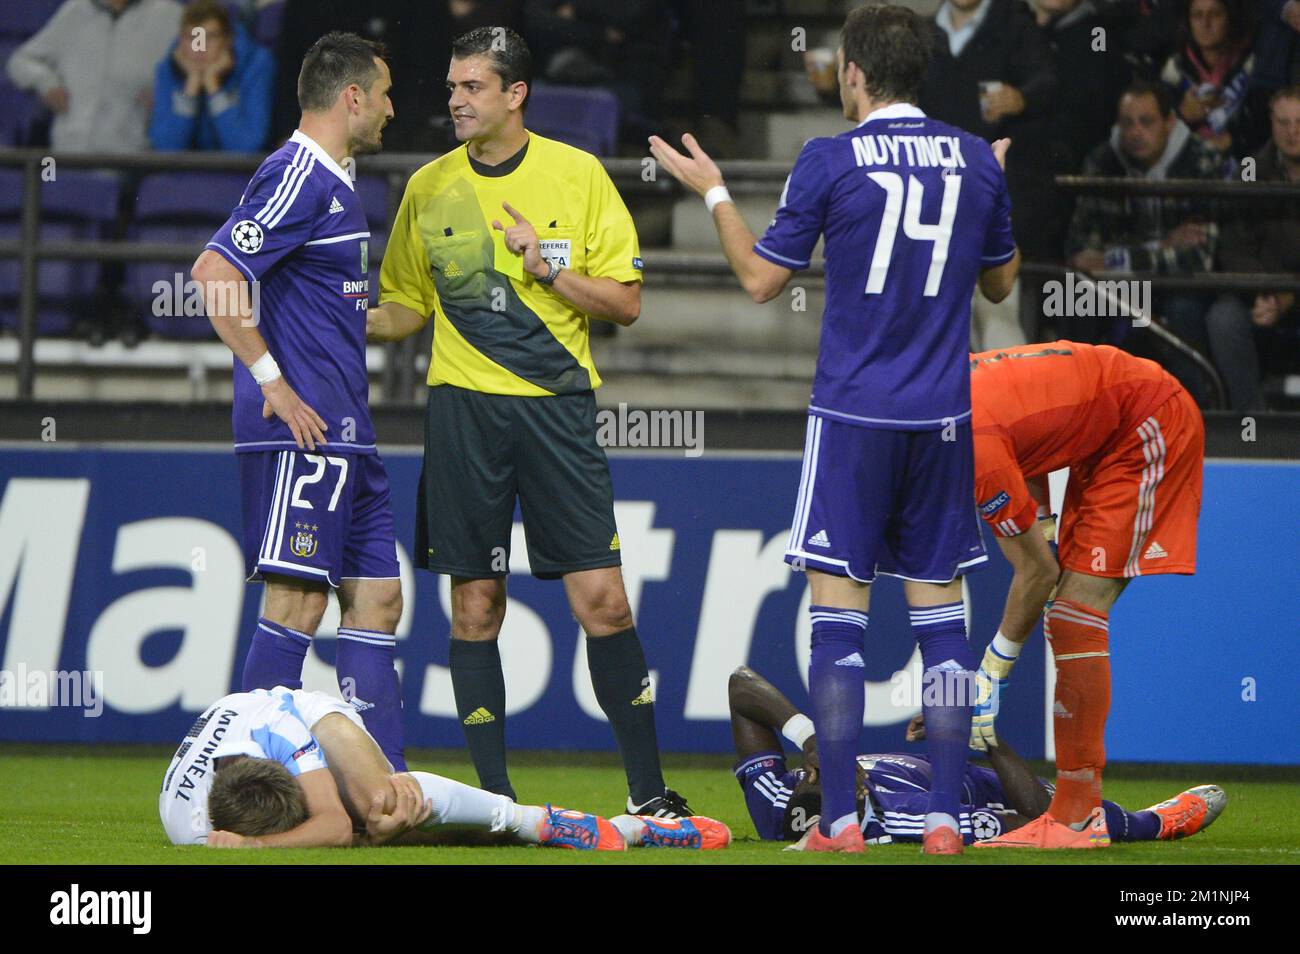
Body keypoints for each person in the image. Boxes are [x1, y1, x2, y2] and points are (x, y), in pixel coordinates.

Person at [650, 3, 1021, 854]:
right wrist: (990, 179)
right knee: (943, 623)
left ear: (854, 72)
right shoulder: (973, 159)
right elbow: (1001, 287)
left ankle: (843, 825)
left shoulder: (829, 159)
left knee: (839, 616)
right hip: (942, 421)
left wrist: (711, 189)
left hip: (854, 417)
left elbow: (757, 281)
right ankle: (939, 821)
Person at [368, 27, 691, 819]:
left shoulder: (577, 176)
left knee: (604, 603)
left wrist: (548, 270)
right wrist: (331, 313)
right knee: (475, 606)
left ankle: (649, 794)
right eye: (450, 87)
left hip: (558, 416)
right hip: (463, 415)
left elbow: (626, 301)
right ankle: (496, 801)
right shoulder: (427, 187)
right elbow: (405, 310)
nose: (454, 101)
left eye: (472, 87)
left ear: (516, 95)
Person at [189, 33, 407, 773]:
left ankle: (385, 792)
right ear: (351, 98)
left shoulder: (336, 183)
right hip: (302, 434)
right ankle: (243, 786)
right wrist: (272, 382)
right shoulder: (298, 175)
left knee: (377, 603)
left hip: (349, 435)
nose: (390, 107)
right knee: (297, 606)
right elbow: (216, 272)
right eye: (382, 93)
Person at [966, 342, 1204, 849]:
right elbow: (1025, 438)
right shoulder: (959, 394)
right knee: (1070, 615)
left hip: (1147, 419)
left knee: (1074, 615)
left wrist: (993, 669)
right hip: (1109, 432)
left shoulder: (969, 444)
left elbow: (1037, 570)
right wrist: (1045, 520)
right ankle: (1076, 813)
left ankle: (1076, 819)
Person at [727, 666, 1227, 846]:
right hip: (964, 787)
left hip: (931, 768)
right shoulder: (907, 822)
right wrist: (985, 738)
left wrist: (809, 736)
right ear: (855, 801)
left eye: (819, 769)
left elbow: (741, 685)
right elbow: (1034, 820)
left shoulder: (776, 801)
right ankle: (1156, 822)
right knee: (1073, 822)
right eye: (840, 777)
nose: (845, 766)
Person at [161, 685, 624, 850]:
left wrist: (252, 847)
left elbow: (336, 827)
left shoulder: (278, 730)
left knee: (379, 805)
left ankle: (528, 820)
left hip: (314, 717)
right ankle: (540, 831)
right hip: (257, 766)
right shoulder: (188, 826)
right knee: (382, 829)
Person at [1065, 81, 1231, 403]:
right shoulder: (1101, 162)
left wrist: (1115, 259)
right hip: (1121, 289)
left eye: (1147, 121)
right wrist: (1164, 246)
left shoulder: (1202, 160)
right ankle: (1077, 409)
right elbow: (1080, 254)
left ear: (1169, 122)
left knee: (1184, 309)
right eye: (1127, 123)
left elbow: (1199, 257)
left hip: (1182, 285)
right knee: (1074, 297)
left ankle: (1198, 412)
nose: (1136, 132)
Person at [919, 0, 1058, 351]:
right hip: (932, 196)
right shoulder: (920, 34)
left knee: (998, 310)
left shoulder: (1017, 26)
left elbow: (1051, 82)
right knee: (939, 315)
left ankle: (1011, 400)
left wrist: (1021, 98)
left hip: (993, 193)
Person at [1206, 84, 1300, 410]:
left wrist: (1290, 294)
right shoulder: (1251, 171)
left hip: (1291, 292)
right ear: (1271, 125)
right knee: (1224, 319)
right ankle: (1253, 421)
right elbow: (1233, 247)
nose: (1293, 132)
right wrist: (1268, 292)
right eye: (1283, 123)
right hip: (1262, 292)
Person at [6, 0, 181, 152]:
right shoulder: (76, 11)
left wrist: (168, 90)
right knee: (41, 180)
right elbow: (20, 60)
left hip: (131, 155)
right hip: (68, 150)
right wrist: (46, 83)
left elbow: (202, 60)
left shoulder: (170, 15)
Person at [150, 0, 275, 152]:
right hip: (187, 169)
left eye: (209, 37)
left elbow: (246, 147)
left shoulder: (256, 65)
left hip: (243, 171)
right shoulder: (168, 67)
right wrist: (190, 88)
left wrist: (213, 88)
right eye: (192, 37)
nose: (199, 48)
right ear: (181, 40)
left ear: (228, 40)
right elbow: (166, 148)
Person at [1161, 0, 1265, 155]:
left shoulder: (1253, 64)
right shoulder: (1175, 69)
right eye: (1197, 15)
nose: (1206, 23)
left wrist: (1233, 139)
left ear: (1230, 18)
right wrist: (1183, 115)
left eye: (1215, 14)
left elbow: (1264, 127)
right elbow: (1159, 133)